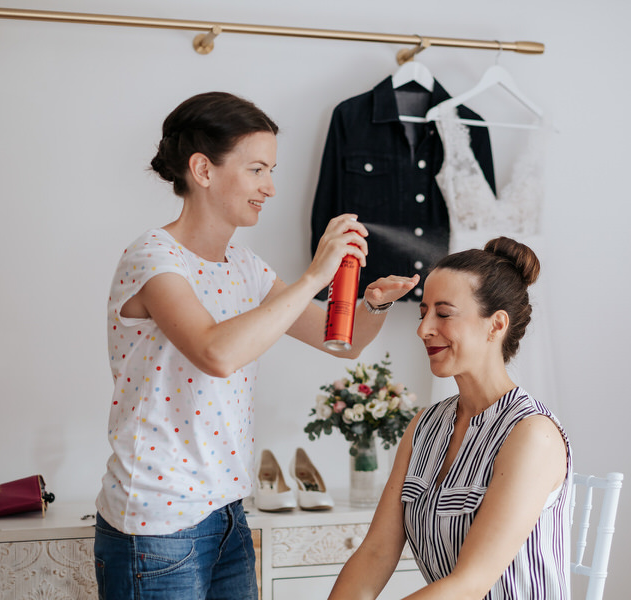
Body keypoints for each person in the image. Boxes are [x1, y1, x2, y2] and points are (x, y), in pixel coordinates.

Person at [92, 91, 419, 600]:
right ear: (203, 170)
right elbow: (215, 352)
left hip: (227, 514)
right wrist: (314, 275)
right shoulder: (153, 258)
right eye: (257, 169)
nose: (270, 187)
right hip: (156, 523)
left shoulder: (247, 267)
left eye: (271, 170)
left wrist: (372, 305)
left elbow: (341, 344)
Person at [328, 237, 571, 600]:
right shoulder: (424, 427)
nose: (423, 329)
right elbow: (376, 553)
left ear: (496, 325)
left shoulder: (532, 435)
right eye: (422, 312)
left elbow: (469, 585)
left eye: (443, 314)